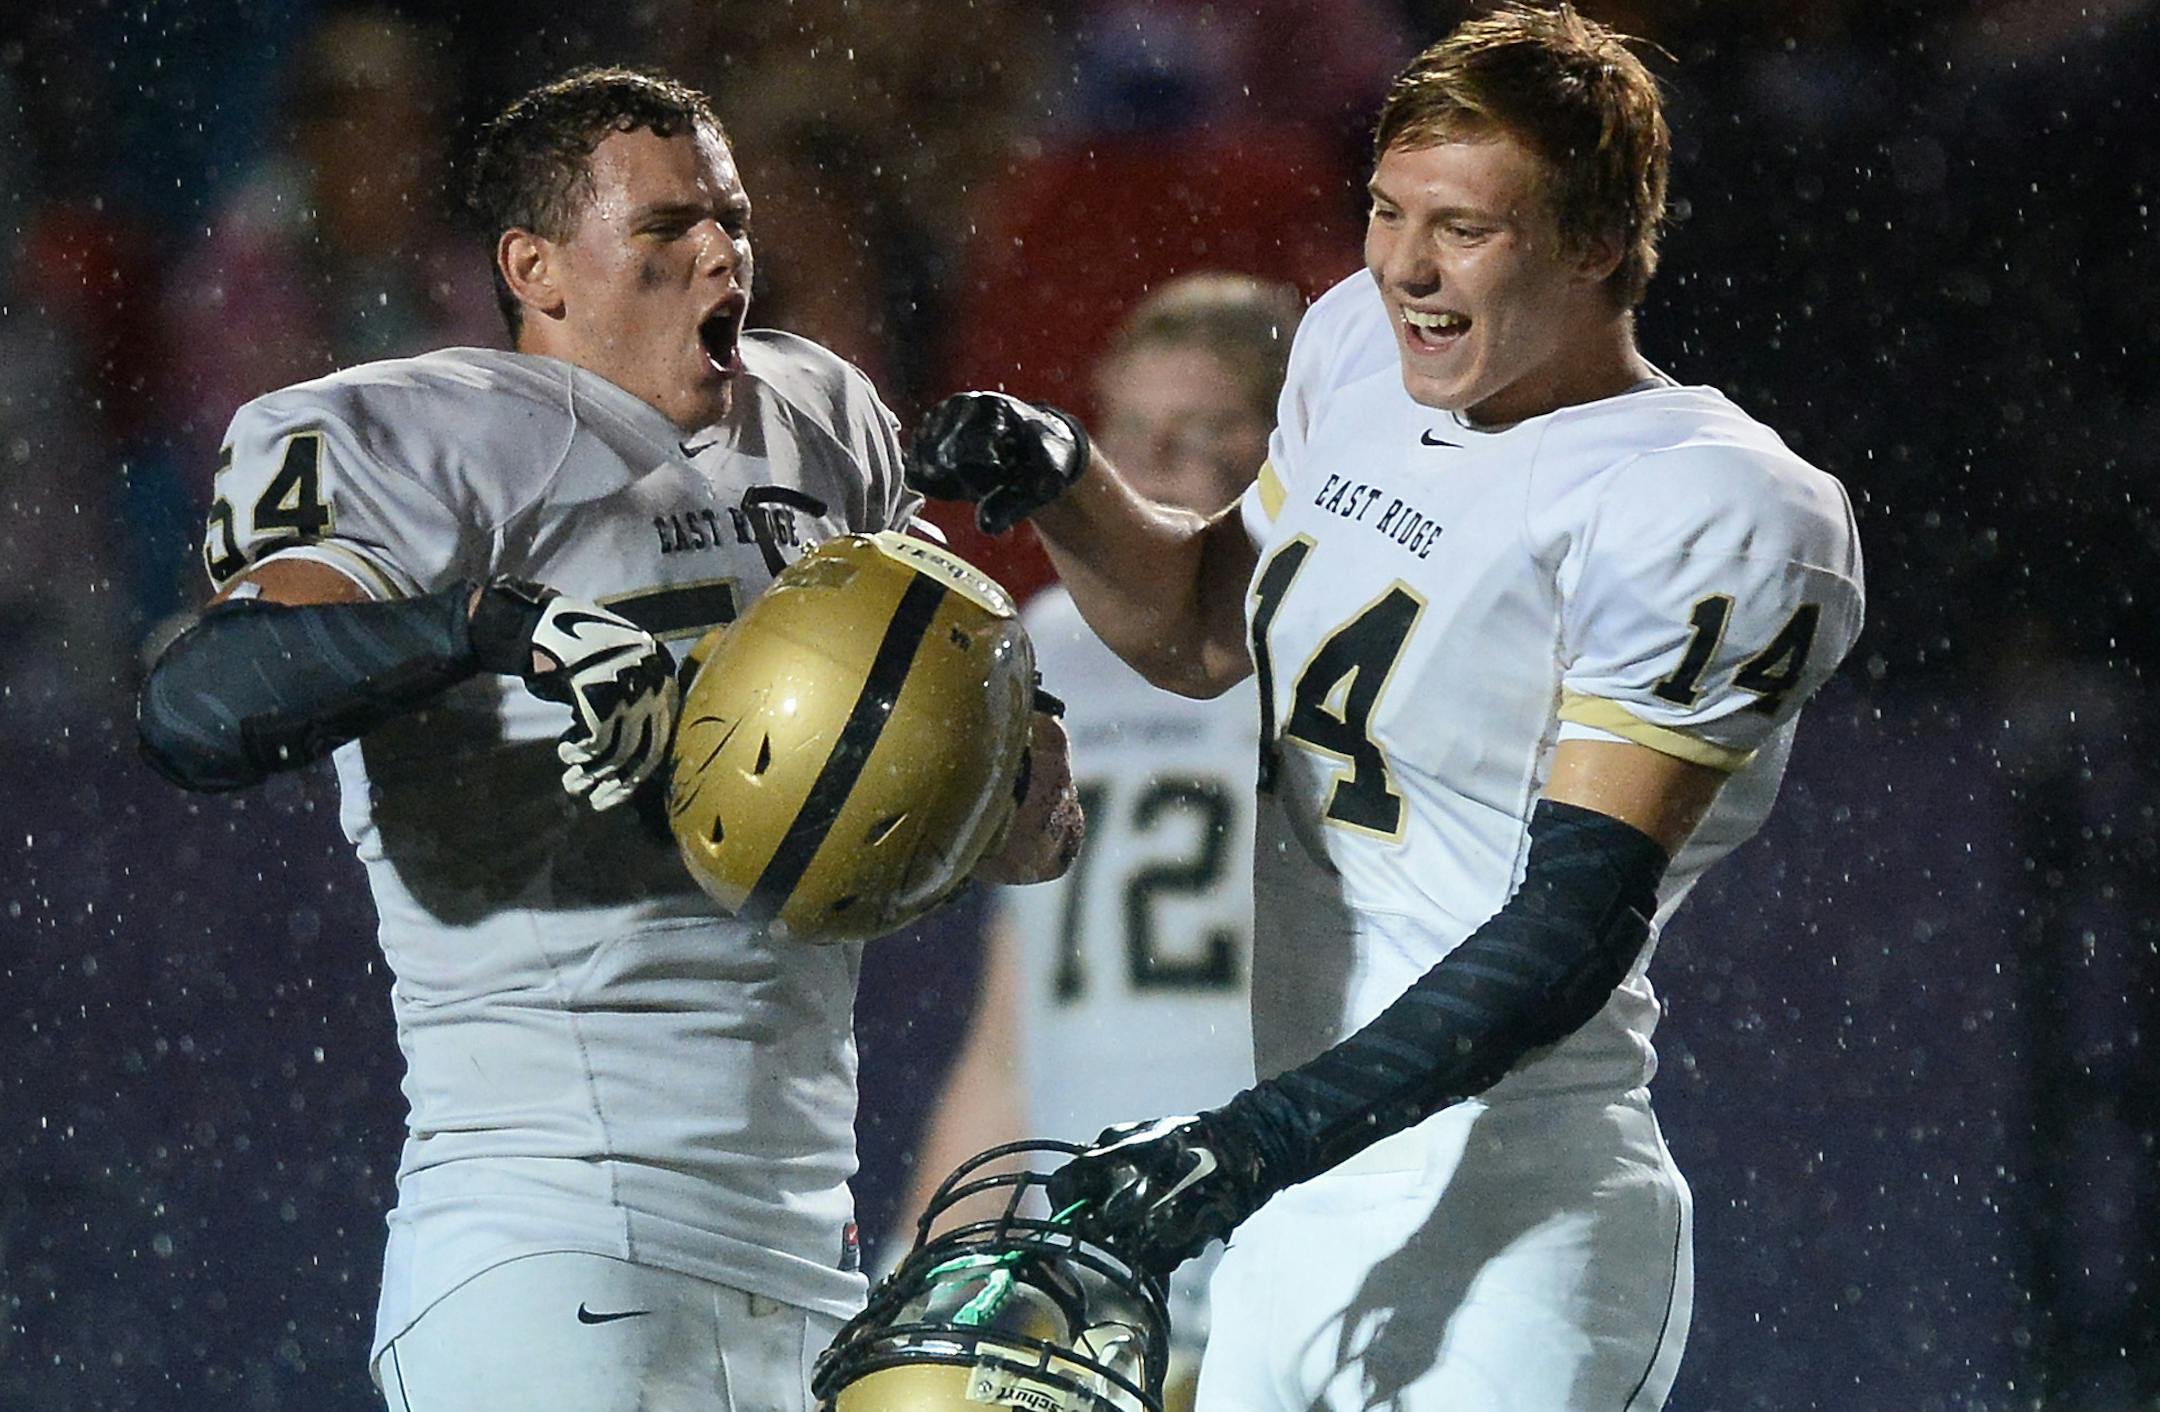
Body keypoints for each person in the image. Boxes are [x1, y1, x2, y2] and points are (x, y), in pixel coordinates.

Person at [905, 6, 1866, 1409]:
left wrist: (1255, 1139)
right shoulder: (1359, 347)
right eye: (1386, 209)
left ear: (1599, 243)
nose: (1405, 266)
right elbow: (1201, 630)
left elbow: (1571, 927)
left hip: (1507, 1202)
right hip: (1289, 1199)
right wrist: (1066, 485)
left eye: (1465, 227)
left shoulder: (1717, 501)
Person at [135, 67, 1076, 1412]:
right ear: (538, 268)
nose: (723, 254)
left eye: (734, 221)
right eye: (667, 229)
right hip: (550, 1238)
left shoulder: (824, 416)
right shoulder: (409, 432)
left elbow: (1026, 818)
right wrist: (485, 629)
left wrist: (1010, 754)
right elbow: (198, 707)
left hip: (812, 1258)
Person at [898, 272, 1301, 1404]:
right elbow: (1011, 1025)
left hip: (1286, 1247)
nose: (1161, 460)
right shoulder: (1045, 644)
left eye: (1206, 428)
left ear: (1284, 441)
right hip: (1086, 1277)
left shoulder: (1320, 632)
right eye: (1131, 432)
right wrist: (929, 1264)